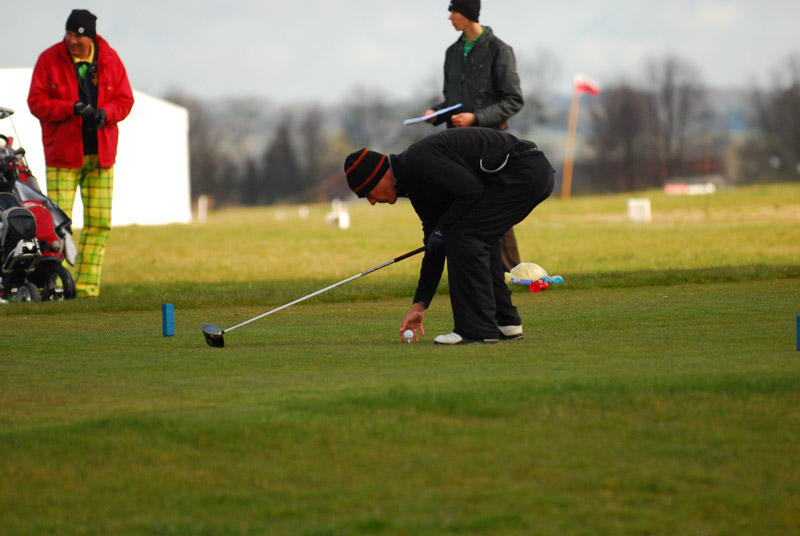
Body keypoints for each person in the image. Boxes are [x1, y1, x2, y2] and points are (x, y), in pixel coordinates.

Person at [343, 127, 554, 345]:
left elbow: (471, 191)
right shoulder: (414, 185)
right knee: (474, 236)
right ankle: (506, 322)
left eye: (367, 193)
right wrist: (420, 304)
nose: (372, 201)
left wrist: (443, 230)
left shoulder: (418, 161)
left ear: (379, 176)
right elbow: (434, 248)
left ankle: (477, 330)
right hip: (529, 173)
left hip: (525, 171)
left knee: (464, 236)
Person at [28, 9, 134, 298]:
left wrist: (105, 114)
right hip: (62, 158)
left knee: (99, 225)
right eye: (68, 33)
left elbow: (125, 100)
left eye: (77, 35)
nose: (71, 40)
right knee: (56, 227)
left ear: (90, 37)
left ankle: (87, 290)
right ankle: (51, 286)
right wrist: (69, 108)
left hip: (101, 158)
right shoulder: (48, 59)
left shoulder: (110, 59)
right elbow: (36, 102)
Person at [423, 0, 525, 273]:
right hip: (456, 146)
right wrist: (437, 112)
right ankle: (474, 271)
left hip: (490, 145)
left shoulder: (500, 50)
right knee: (460, 204)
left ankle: (511, 272)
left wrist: (476, 118)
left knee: (495, 206)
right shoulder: (451, 53)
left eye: (453, 11)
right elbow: (453, 101)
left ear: (468, 14)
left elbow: (513, 101)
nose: (449, 17)